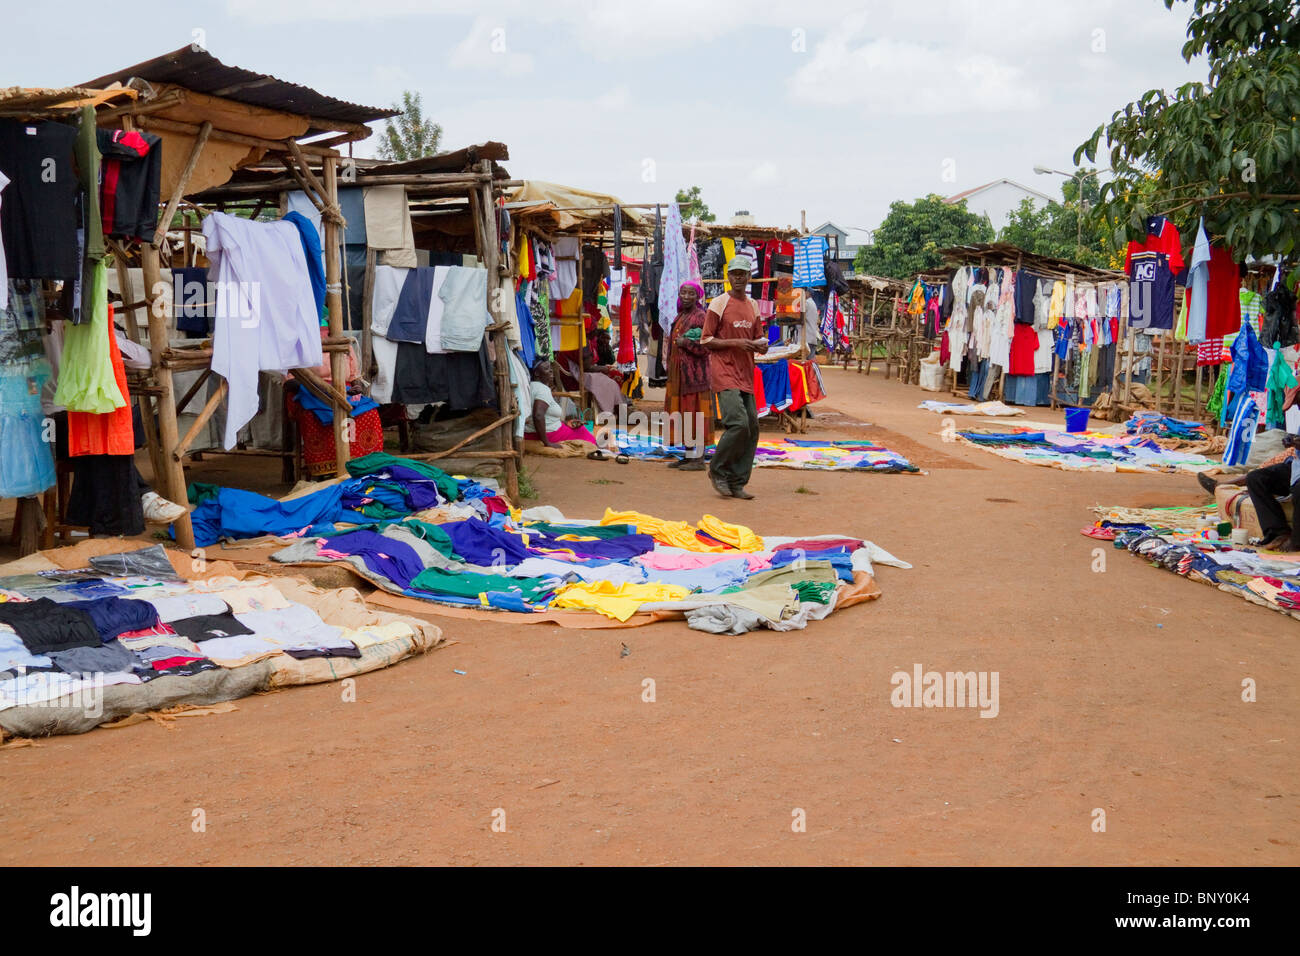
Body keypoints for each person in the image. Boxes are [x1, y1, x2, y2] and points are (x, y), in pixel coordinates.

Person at [701, 256, 767, 498]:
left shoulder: (753, 306)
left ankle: (737, 482)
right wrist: (737, 342)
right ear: (728, 277)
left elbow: (759, 337)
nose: (738, 278)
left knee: (752, 427)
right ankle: (718, 471)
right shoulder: (718, 303)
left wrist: (761, 346)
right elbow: (706, 339)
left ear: (749, 277)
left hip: (745, 373)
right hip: (724, 371)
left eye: (743, 274)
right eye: (734, 273)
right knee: (738, 423)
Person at [664, 280, 711, 471]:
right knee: (684, 413)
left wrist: (686, 343)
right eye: (683, 293)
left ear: (698, 295)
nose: (686, 297)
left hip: (694, 376)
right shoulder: (681, 315)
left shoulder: (701, 316)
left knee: (695, 414)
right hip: (679, 375)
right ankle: (688, 455)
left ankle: (698, 459)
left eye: (691, 293)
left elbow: (707, 346)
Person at [1244, 431, 1300, 550]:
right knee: (1256, 478)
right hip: (1296, 469)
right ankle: (1278, 533)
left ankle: (1297, 541)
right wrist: (1292, 441)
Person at [525, 361, 597, 448]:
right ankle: (596, 449)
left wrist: (565, 423)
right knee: (582, 431)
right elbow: (538, 415)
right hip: (548, 434)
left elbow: (544, 416)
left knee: (576, 428)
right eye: (546, 369)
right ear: (536, 373)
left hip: (532, 432)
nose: (551, 371)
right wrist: (547, 443)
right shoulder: (542, 389)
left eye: (551, 368)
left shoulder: (530, 386)